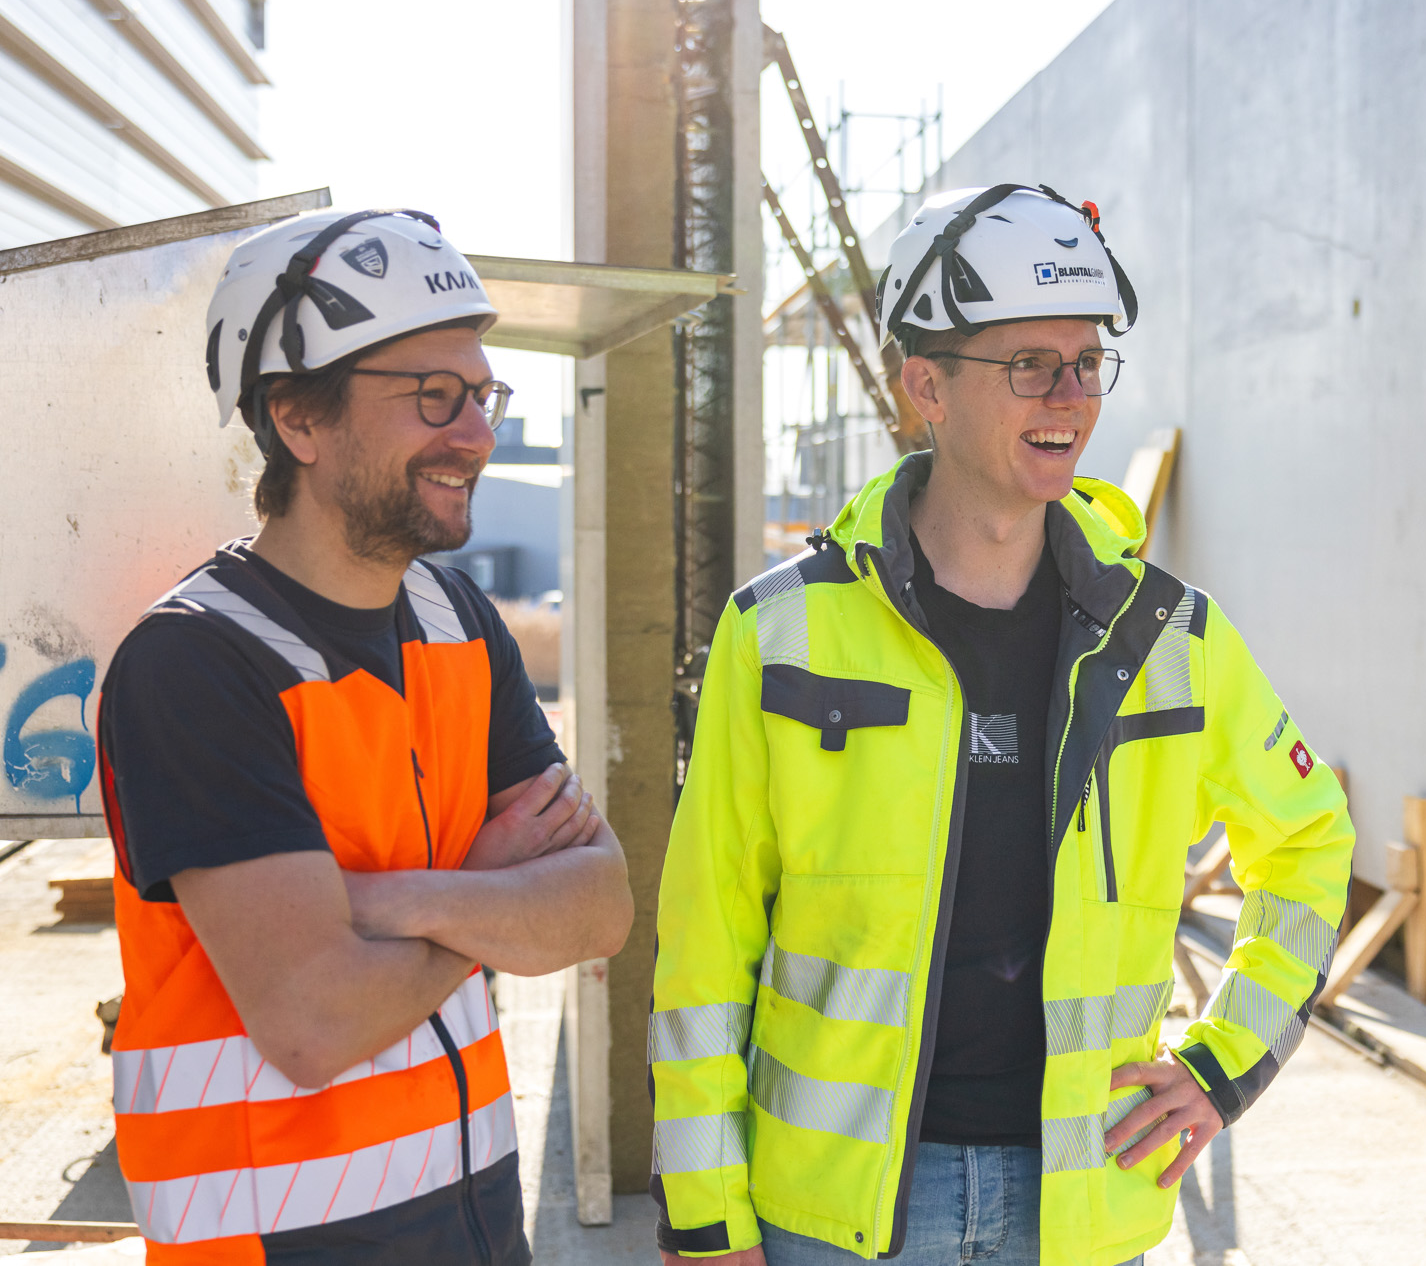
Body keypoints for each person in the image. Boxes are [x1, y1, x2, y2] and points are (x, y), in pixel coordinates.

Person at [648, 185, 1354, 1265]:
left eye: (1085, 361)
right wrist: (704, 1213)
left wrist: (1221, 1066)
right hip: (836, 1217)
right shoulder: (779, 633)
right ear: (923, 384)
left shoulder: (1167, 634)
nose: (1068, 395)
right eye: (1029, 363)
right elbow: (704, 949)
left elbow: (1306, 842)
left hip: (1078, 1205)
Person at [97, 208, 634, 1264]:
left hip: (475, 1222)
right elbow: (313, 1019)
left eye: (481, 393)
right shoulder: (195, 664)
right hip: (277, 1246)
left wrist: (408, 895)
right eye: (433, 395)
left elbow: (601, 907)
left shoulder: (459, 623)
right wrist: (493, 893)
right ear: (297, 417)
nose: (475, 431)